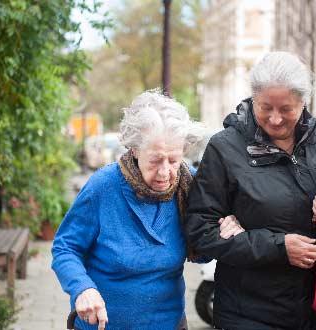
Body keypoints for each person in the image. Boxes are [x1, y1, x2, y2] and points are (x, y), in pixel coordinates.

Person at [184, 52, 316, 330]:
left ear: (303, 102)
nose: (275, 119)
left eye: (286, 109)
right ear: (253, 99)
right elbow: (200, 230)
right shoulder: (224, 148)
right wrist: (278, 247)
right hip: (249, 314)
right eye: (265, 107)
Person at [51, 91, 242, 330]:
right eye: (155, 161)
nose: (165, 173)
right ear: (135, 150)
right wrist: (82, 288)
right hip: (103, 325)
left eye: (173, 160)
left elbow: (201, 253)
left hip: (169, 323)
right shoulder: (103, 187)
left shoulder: (190, 186)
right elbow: (65, 247)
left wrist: (222, 233)